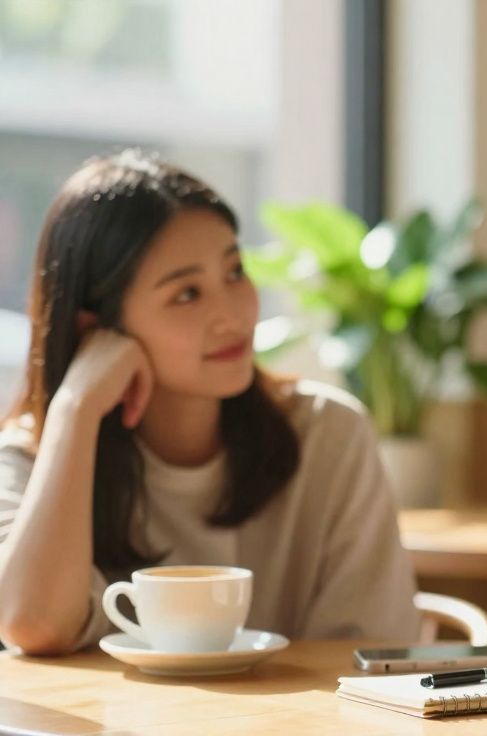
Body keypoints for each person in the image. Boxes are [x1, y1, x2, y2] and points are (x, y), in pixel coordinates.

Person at [0, 150, 420, 654]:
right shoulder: (32, 457)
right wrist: (75, 408)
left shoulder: (327, 432)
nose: (232, 314)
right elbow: (34, 626)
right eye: (186, 294)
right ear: (97, 330)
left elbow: (375, 653)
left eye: (234, 272)